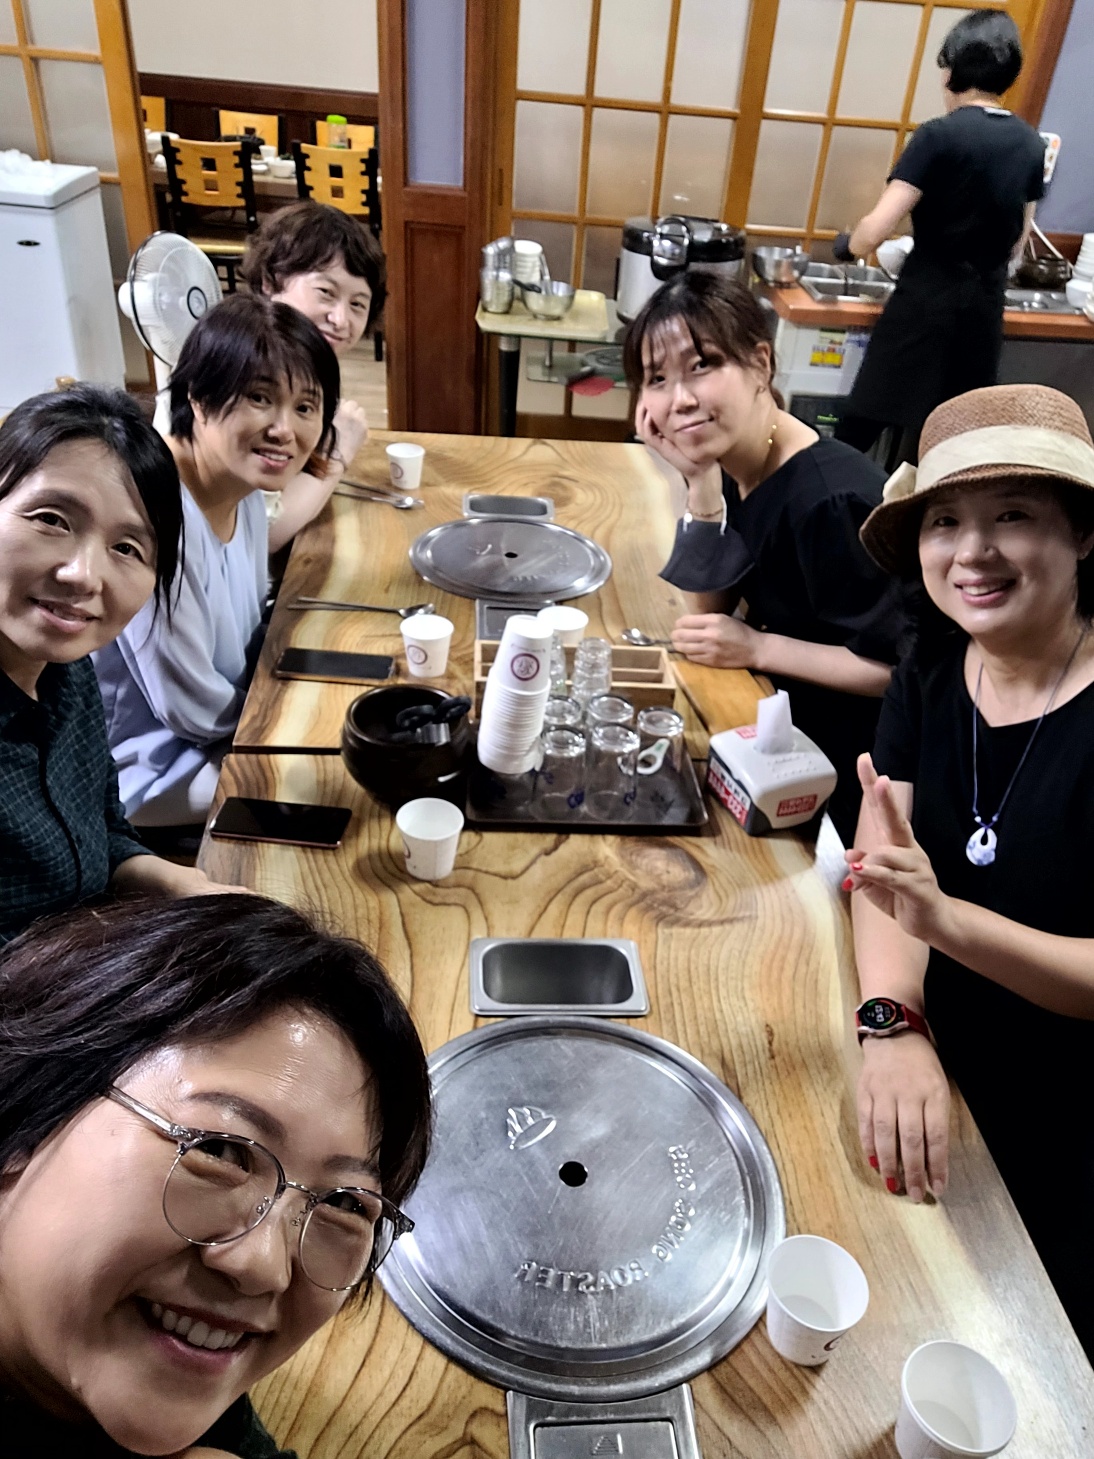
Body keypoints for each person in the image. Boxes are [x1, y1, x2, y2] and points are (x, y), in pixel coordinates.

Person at [844, 384, 1094, 1358]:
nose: (970, 551)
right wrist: (891, 1021)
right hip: (936, 1049)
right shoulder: (930, 672)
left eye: (1013, 515)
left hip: (1064, 1113)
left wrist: (944, 922)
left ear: (1082, 534)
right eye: (944, 520)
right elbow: (883, 865)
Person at [0, 893, 431, 1456]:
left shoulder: (168, 1341)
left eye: (345, 1204)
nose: (263, 1268)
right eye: (222, 1152)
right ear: (29, 1116)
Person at [624, 272, 908, 842]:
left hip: (850, 771)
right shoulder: (738, 462)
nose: (680, 399)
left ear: (761, 365)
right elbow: (707, 610)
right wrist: (701, 486)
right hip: (779, 726)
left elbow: (899, 672)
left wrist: (758, 646)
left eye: (702, 365)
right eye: (657, 379)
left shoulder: (831, 501)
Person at [0, 385, 245, 945]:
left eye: (128, 549)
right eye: (52, 519)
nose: (84, 575)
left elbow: (105, 830)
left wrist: (186, 886)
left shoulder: (67, 672)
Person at [94, 293, 339, 835]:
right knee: (332, 786)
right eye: (259, 398)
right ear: (199, 398)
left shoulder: (241, 488)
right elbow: (190, 711)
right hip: (145, 767)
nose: (284, 429)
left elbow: (246, 630)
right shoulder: (155, 511)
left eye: (305, 407)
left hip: (226, 724)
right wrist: (292, 728)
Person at [834, 9, 1046, 465]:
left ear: (952, 70)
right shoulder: (1032, 145)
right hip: (982, 315)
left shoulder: (938, 137)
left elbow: (879, 227)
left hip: (924, 309)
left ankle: (817, 499)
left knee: (856, 429)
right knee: (951, 441)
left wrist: (848, 247)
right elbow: (1018, 242)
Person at [240, 201, 386, 551]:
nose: (340, 319)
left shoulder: (307, 368)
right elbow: (264, 533)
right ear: (270, 282)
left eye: (357, 304)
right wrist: (340, 450)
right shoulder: (249, 367)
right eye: (326, 293)